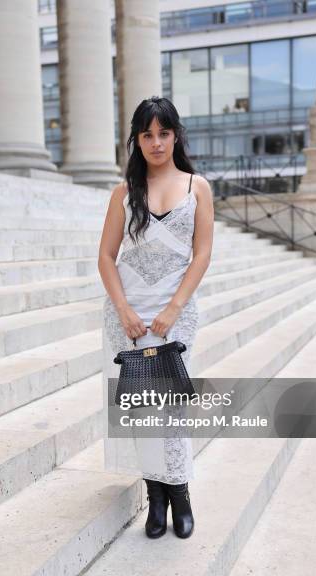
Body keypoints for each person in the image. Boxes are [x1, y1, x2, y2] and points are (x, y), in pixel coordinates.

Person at [98, 95, 214, 539]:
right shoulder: (124, 193)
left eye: (163, 132)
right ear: (137, 140)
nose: (156, 142)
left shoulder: (197, 186)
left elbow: (202, 253)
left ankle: (179, 491)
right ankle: (156, 497)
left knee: (171, 406)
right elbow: (107, 257)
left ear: (175, 135)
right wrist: (125, 310)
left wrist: (173, 308)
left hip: (176, 311)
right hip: (127, 313)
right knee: (141, 408)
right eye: (147, 134)